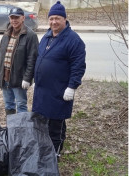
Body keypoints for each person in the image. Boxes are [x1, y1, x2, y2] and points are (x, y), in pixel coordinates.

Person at [32, 1, 86, 159]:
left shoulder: (73, 40)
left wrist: (72, 86)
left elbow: (78, 66)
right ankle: (45, 143)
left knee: (56, 120)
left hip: (59, 89)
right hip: (42, 89)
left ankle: (55, 151)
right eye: (51, 18)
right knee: (43, 118)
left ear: (65, 19)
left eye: (57, 18)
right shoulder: (47, 36)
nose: (54, 22)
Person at [0, 7, 39, 116]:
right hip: (5, 78)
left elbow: (32, 59)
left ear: (23, 18)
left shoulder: (30, 35)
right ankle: (11, 128)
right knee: (8, 105)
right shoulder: (6, 34)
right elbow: (0, 56)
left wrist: (27, 78)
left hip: (19, 79)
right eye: (12, 17)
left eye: (17, 17)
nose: (14, 20)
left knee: (21, 105)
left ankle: (21, 129)